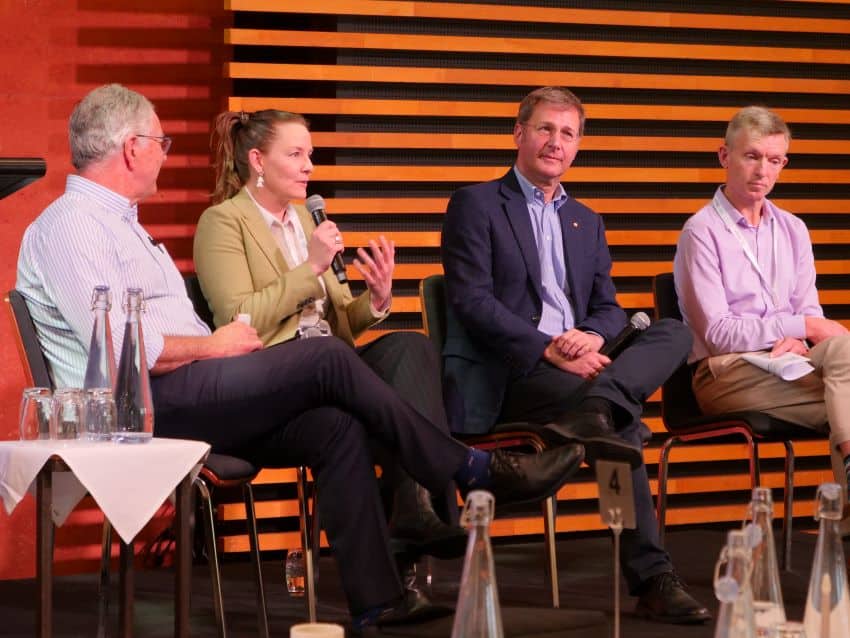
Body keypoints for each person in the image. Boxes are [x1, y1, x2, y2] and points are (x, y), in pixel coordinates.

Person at [15, 83, 585, 631]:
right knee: (324, 359)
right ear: (132, 148)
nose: (165, 155)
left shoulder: (125, 227)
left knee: (335, 427)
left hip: (198, 384)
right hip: (139, 404)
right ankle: (467, 468)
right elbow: (116, 349)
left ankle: (378, 602)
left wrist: (368, 302)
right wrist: (217, 345)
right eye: (161, 144)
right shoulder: (73, 225)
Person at [441, 86, 710, 624]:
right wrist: (550, 348)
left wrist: (588, 335)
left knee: (674, 333)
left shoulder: (585, 218)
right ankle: (651, 575)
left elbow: (609, 307)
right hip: (518, 370)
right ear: (519, 133)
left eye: (567, 133)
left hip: (586, 364)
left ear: (578, 145)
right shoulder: (476, 203)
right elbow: (471, 303)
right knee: (622, 424)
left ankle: (599, 408)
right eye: (544, 128)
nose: (554, 142)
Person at [193, 109, 465, 561]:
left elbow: (337, 323)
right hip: (275, 376)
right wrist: (311, 268)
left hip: (333, 363)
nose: (309, 167)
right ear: (258, 160)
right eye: (296, 154)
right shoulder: (222, 222)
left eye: (310, 155)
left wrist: (375, 300)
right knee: (381, 407)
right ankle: (433, 498)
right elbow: (238, 318)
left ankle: (416, 510)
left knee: (411, 347)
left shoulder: (305, 220)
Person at [674, 106, 850, 497]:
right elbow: (718, 334)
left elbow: (809, 312)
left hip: (792, 364)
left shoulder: (793, 229)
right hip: (725, 373)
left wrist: (801, 333)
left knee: (843, 354)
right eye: (751, 156)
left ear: (783, 163)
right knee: (847, 393)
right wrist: (797, 327)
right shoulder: (701, 232)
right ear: (725, 156)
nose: (762, 171)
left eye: (773, 160)